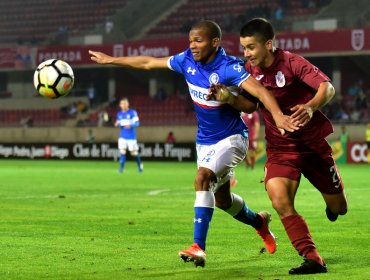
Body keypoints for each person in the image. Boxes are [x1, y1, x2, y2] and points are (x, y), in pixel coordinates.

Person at [89, 20, 299, 267]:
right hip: (205, 142)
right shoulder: (186, 60)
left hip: (232, 139)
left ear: (214, 42)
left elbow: (261, 94)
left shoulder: (229, 67)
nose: (193, 46)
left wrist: (277, 116)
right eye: (190, 41)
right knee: (223, 201)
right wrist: (110, 60)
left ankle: (198, 247)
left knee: (202, 177)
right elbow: (148, 62)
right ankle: (259, 222)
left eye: (198, 41)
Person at [210, 18, 348, 274]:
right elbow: (250, 106)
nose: (246, 54)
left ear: (269, 45)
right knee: (280, 201)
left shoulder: (292, 63)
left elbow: (327, 88)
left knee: (340, 208)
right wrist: (228, 97)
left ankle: (332, 204)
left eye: (251, 47)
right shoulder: (249, 72)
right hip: (280, 149)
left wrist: (310, 106)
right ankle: (312, 257)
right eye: (244, 48)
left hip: (313, 147)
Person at [115, 97, 143, 173]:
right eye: (122, 103)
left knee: (134, 153)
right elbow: (119, 124)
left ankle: (140, 165)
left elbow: (137, 123)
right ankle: (121, 169)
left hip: (131, 137)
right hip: (122, 136)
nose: (123, 105)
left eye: (125, 103)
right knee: (122, 151)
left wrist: (131, 125)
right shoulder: (119, 114)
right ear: (120, 105)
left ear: (128, 104)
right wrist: (117, 124)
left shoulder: (132, 112)